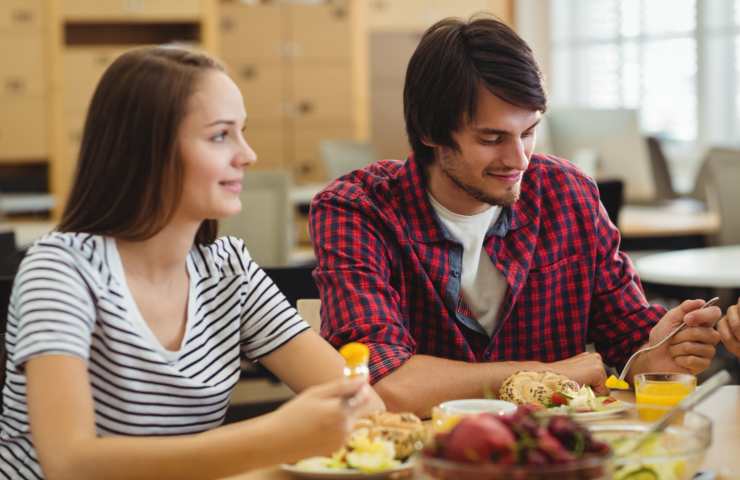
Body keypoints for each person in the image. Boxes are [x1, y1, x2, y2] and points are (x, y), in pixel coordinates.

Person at [0, 46, 384, 480]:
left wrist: (345, 408)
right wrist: (273, 436)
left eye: (242, 131)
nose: (248, 155)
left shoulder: (228, 270)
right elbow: (69, 463)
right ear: (148, 151)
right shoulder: (62, 270)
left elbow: (363, 405)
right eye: (221, 135)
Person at [308, 16, 722, 416]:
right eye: (492, 138)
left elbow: (630, 341)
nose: (519, 159)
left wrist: (659, 350)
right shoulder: (357, 209)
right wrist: (545, 375)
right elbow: (381, 385)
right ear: (430, 133)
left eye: (528, 132)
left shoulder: (567, 193)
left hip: (552, 456)